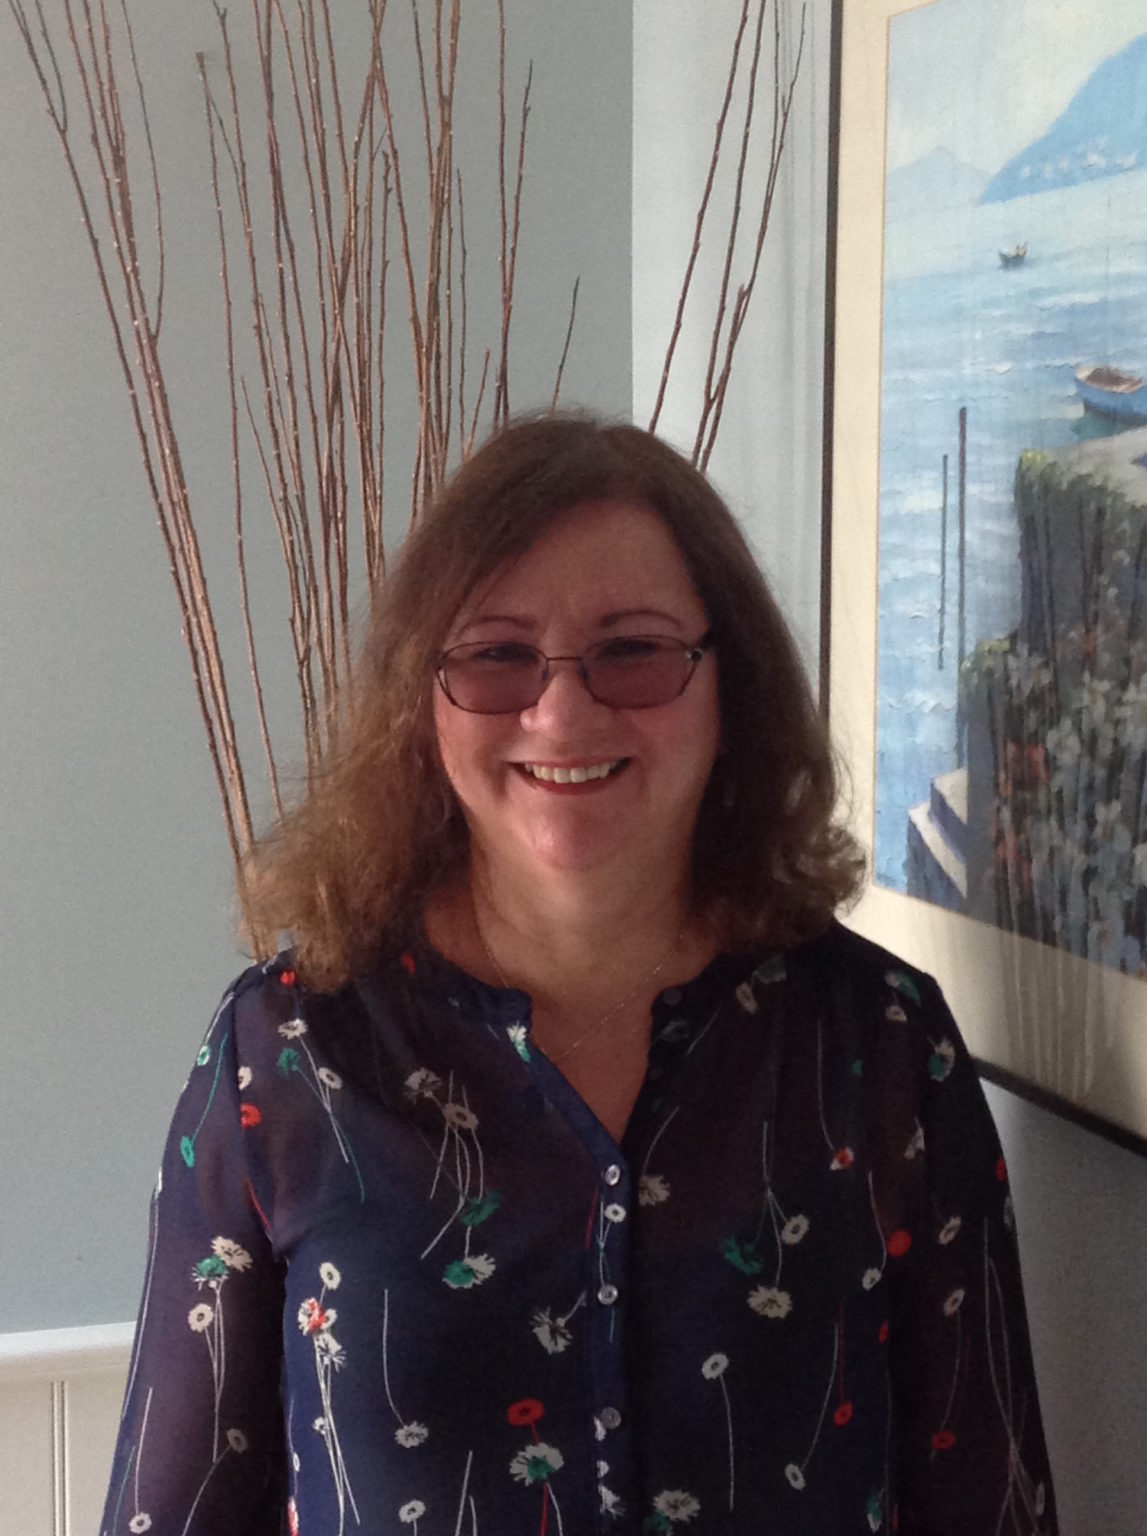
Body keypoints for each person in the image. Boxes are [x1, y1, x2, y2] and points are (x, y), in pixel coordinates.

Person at [101, 415, 1057, 1535]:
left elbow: (989, 1500)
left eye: (633, 649)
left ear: (730, 687)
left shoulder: (879, 1045)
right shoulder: (289, 1054)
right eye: (496, 654)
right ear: (422, 701)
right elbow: (173, 1511)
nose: (561, 711)